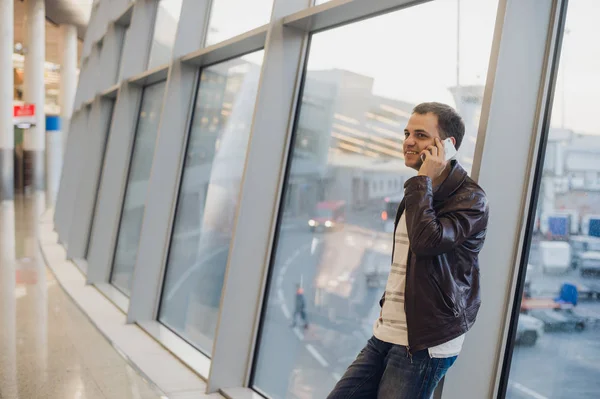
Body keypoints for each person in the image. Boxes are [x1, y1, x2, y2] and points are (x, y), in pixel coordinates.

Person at [327, 102, 489, 399]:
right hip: (387, 331)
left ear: (448, 146)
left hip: (426, 341)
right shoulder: (419, 192)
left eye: (421, 135)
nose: (409, 142)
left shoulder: (470, 199)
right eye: (407, 133)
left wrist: (422, 181)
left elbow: (427, 242)